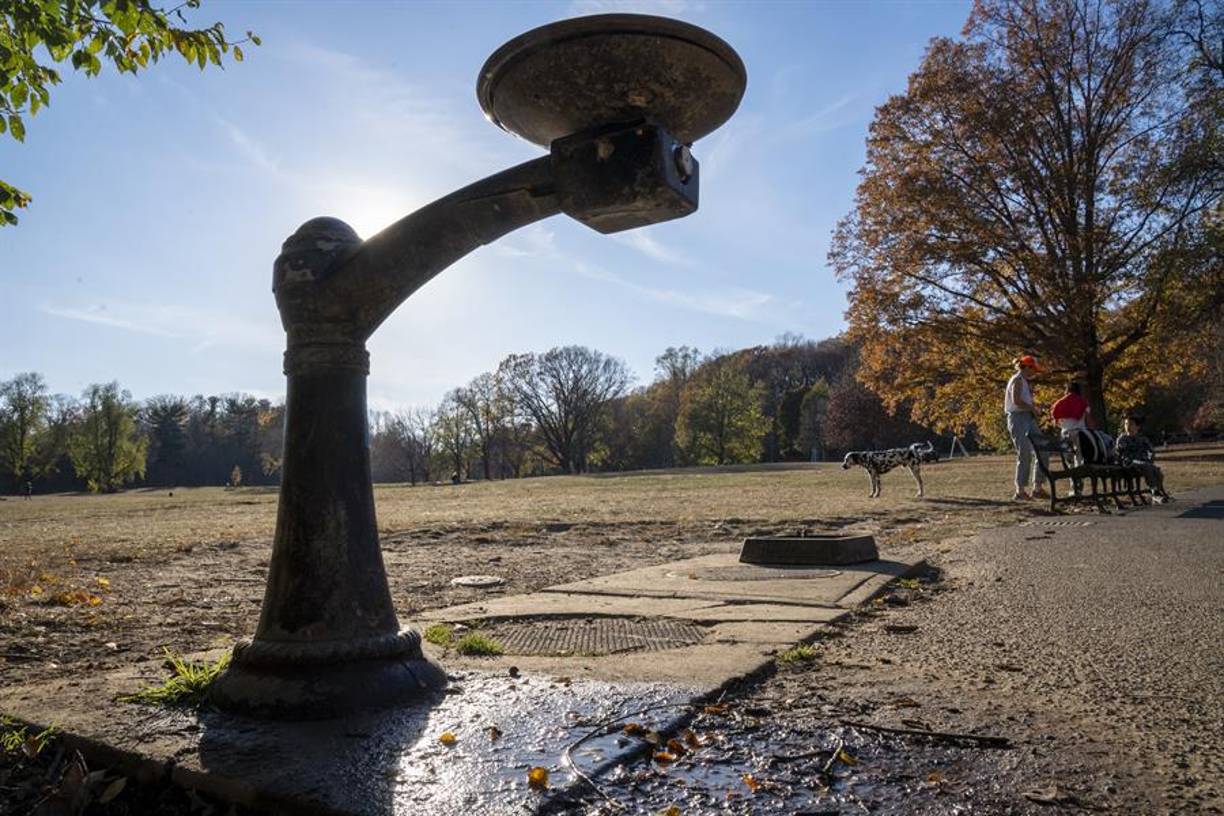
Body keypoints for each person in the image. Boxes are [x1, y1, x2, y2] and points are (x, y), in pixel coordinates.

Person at [1004, 355, 1047, 501]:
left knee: (1043, 449)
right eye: (1033, 369)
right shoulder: (1017, 380)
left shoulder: (1024, 381)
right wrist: (1032, 408)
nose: (1034, 372)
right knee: (1024, 453)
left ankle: (1037, 488)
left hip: (1028, 417)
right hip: (1017, 418)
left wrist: (1034, 408)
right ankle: (1020, 491)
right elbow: (1016, 401)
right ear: (1027, 367)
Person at [1115, 414, 1171, 503]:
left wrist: (1150, 459)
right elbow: (1121, 451)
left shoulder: (1142, 439)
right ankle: (1154, 492)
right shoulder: (1122, 439)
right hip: (1129, 462)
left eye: (1131, 424)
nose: (1128, 426)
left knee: (1158, 471)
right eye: (1126, 424)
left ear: (1137, 427)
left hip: (1143, 462)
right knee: (1146, 465)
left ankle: (1158, 491)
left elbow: (1151, 450)